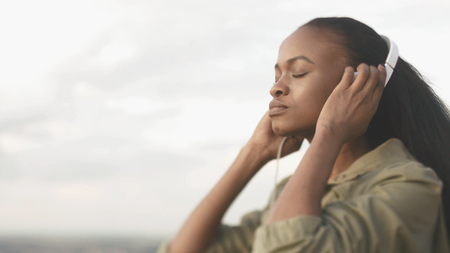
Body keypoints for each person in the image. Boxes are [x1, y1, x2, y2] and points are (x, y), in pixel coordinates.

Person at [157, 17, 450, 253]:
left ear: (360, 86)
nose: (276, 88)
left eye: (298, 73)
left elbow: (286, 247)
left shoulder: (409, 185)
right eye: (276, 76)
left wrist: (330, 130)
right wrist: (253, 154)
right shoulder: (290, 192)